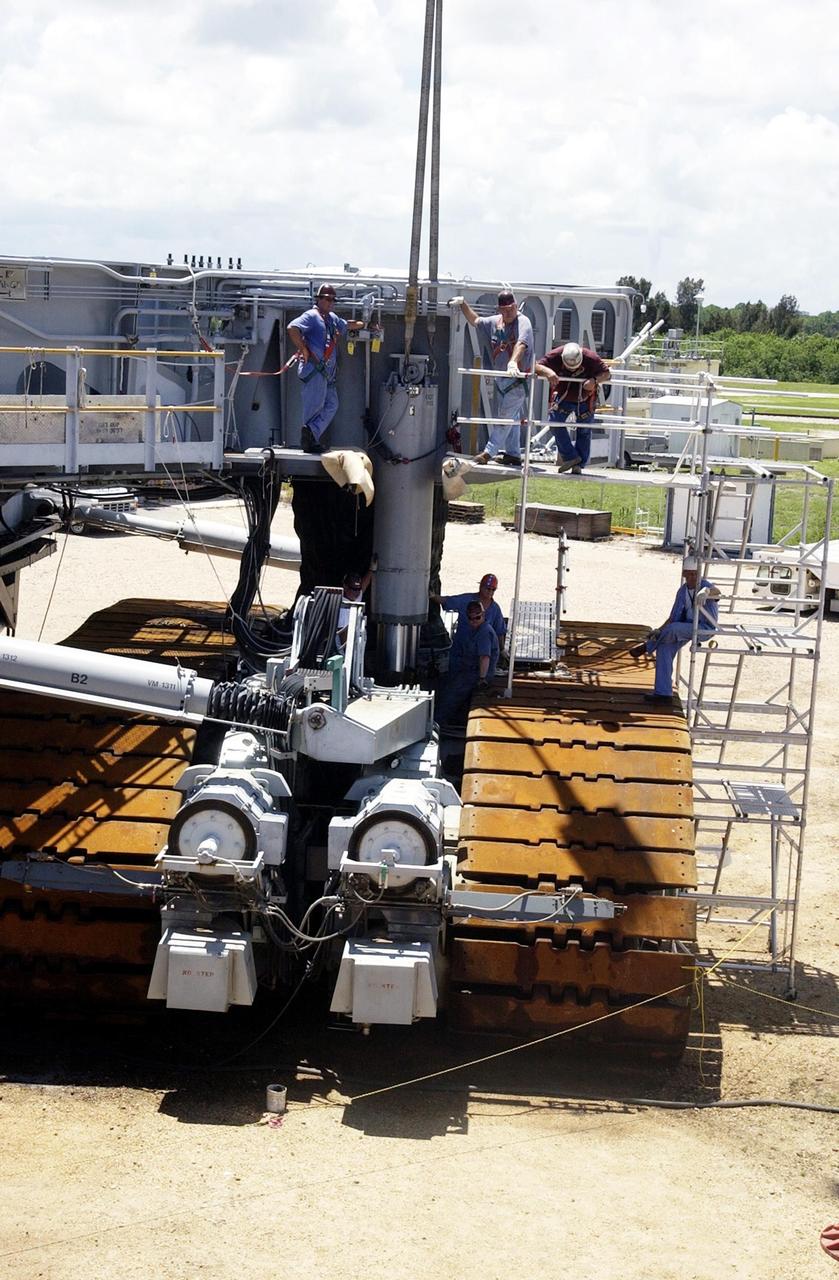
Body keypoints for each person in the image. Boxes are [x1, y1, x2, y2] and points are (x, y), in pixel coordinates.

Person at [448, 290, 534, 466]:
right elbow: (475, 321)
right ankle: (513, 454)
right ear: (499, 309)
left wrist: (513, 363)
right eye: (505, 309)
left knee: (504, 418)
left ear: (516, 306)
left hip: (517, 380)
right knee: (512, 418)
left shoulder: (523, 322)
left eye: (511, 308)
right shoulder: (495, 322)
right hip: (501, 379)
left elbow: (521, 344)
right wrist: (463, 304)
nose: (509, 312)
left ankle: (488, 452)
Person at [287, 284, 366, 453]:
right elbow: (292, 328)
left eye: (333, 300)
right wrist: (303, 349)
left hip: (326, 374)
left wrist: (365, 324)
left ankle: (311, 433)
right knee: (314, 406)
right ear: (319, 299)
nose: (331, 303)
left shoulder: (331, 319)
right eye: (327, 299)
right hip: (315, 370)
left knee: (331, 404)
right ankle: (309, 440)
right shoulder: (311, 316)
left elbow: (347, 325)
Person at [631, 556, 720, 702]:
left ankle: (648, 647)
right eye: (688, 573)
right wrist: (659, 630)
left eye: (694, 574)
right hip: (684, 627)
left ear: (699, 574)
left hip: (703, 628)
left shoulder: (705, 585)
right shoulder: (682, 591)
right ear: (684, 574)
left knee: (673, 629)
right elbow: (673, 616)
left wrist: (707, 593)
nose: (691, 577)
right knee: (664, 648)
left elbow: (716, 592)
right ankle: (663, 693)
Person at [535, 341, 610, 472]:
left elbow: (606, 373)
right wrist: (548, 371)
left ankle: (578, 465)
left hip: (586, 398)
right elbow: (536, 366)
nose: (572, 369)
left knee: (584, 430)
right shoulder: (556, 355)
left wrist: (594, 380)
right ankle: (571, 457)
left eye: (575, 366)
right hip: (564, 396)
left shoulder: (590, 358)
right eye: (569, 367)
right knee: (555, 423)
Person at [435, 600, 499, 725]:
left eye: (477, 617)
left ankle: (438, 723)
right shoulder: (476, 630)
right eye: (471, 618)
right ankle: (454, 719)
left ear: (483, 615)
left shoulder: (484, 632)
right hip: (468, 669)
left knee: (451, 695)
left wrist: (482, 679)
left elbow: (484, 658)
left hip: (476, 674)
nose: (474, 621)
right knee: (444, 684)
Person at [430, 572, 506, 648]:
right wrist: (433, 596)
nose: (490, 592)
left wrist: (502, 650)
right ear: (481, 587)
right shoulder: (466, 600)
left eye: (493, 590)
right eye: (488, 588)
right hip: (461, 649)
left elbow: (500, 632)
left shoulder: (495, 609)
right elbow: (447, 600)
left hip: (481, 650)